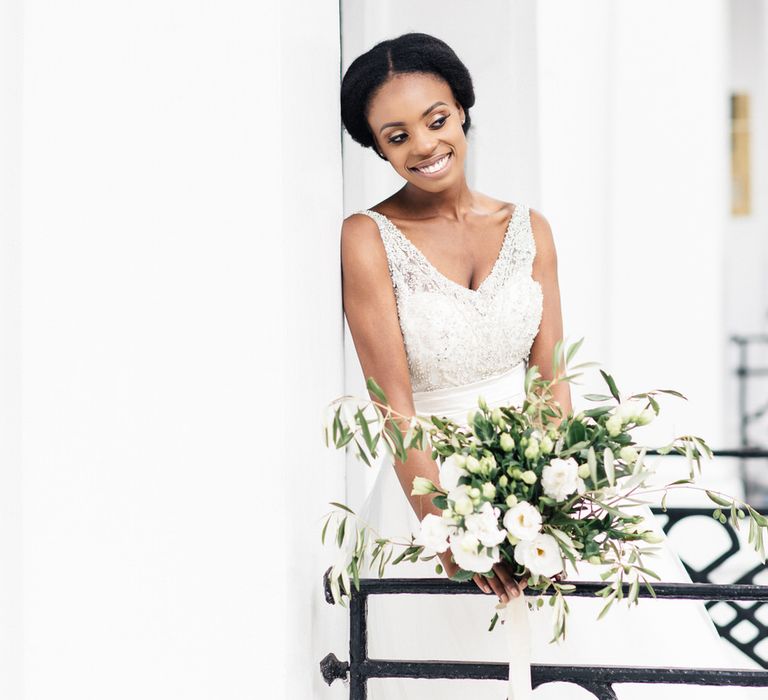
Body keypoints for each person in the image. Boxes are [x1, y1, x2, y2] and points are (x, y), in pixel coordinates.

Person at [338, 31, 756, 699]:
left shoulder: (530, 227)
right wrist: (450, 535)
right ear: (378, 147)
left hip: (544, 481)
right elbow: (394, 408)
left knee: (607, 669)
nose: (423, 145)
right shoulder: (366, 237)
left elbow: (550, 380)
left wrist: (553, 506)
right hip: (430, 498)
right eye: (395, 136)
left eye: (436, 119)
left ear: (463, 111)